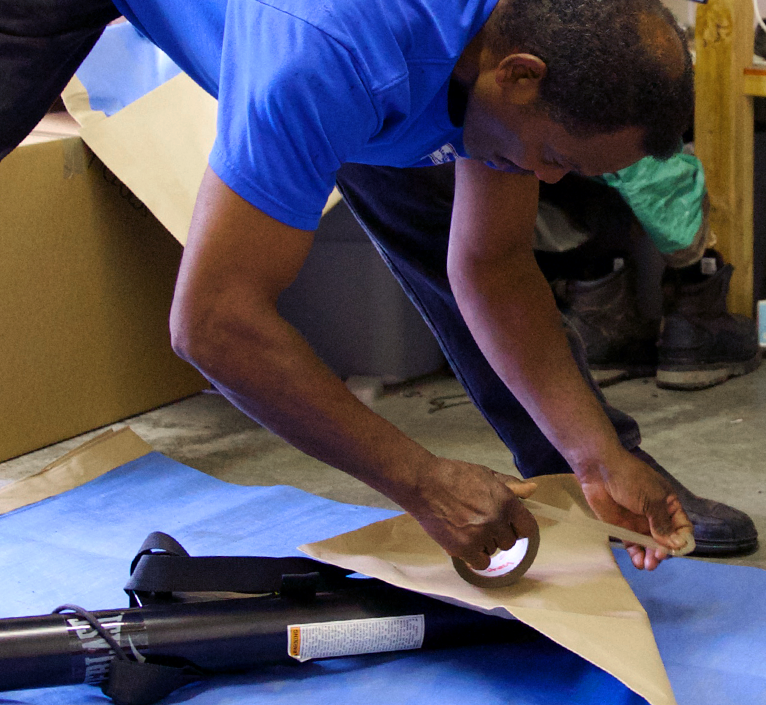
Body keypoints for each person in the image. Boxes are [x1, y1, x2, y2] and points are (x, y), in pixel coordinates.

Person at [1, 0, 756, 574]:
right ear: (519, 72)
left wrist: (593, 453)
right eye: (555, 155)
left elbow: (491, 263)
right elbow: (212, 323)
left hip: (397, 62)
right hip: (329, 40)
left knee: (461, 171)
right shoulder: (325, 57)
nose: (551, 179)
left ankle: (581, 467)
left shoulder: (524, 42)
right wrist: (422, 482)